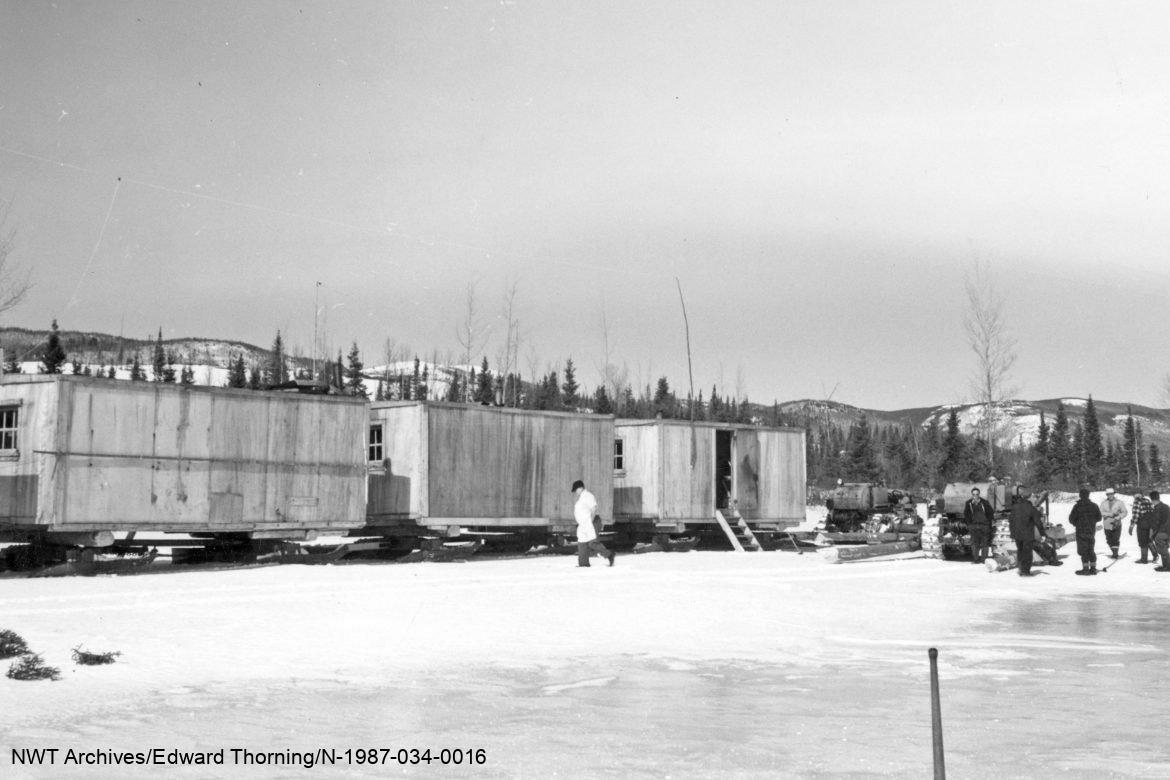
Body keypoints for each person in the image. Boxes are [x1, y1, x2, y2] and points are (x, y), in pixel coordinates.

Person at [572, 479, 614, 568]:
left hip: (592, 522)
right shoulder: (581, 498)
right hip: (583, 524)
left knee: (592, 543)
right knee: (582, 543)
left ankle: (609, 554)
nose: (575, 492)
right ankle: (583, 564)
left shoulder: (588, 495)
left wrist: (590, 521)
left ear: (580, 488)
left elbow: (593, 508)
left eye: (576, 490)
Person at [1009, 493, 1050, 577]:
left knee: (1020, 551)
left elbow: (1011, 521)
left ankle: (1020, 568)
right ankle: (1025, 571)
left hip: (1017, 534)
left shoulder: (1015, 507)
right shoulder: (1031, 508)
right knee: (1027, 553)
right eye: (1033, 497)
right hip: (1027, 534)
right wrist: (1043, 534)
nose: (1035, 500)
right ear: (1029, 498)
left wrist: (1012, 533)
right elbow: (1038, 523)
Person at [1068, 488, 1102, 575]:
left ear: (1080, 495)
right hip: (1091, 531)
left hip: (1080, 531)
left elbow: (1071, 519)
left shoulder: (1077, 506)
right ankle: (1093, 568)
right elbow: (1099, 518)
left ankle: (1085, 569)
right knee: (1091, 549)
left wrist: (1077, 524)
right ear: (1088, 495)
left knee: (1083, 550)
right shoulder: (1094, 506)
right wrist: (1092, 522)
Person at [964, 487, 995, 564]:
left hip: (984, 526)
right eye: (974, 494)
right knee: (975, 544)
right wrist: (969, 525)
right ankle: (975, 559)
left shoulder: (984, 502)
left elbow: (990, 513)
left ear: (979, 494)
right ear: (972, 495)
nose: (975, 496)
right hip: (974, 526)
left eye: (977, 494)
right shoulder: (969, 503)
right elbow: (966, 514)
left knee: (985, 544)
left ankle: (984, 559)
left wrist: (988, 523)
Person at [1099, 488, 1128, 559]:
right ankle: (1114, 552)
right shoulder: (1103, 503)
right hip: (1107, 524)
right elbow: (1100, 512)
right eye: (1109, 494)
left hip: (1116, 523)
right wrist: (1109, 514)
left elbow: (1125, 512)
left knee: (1115, 539)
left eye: (1111, 494)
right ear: (1107, 495)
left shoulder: (1119, 502)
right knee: (1109, 540)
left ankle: (1115, 554)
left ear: (1114, 494)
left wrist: (1119, 517)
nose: (1110, 495)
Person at [1130, 491, 1158, 564]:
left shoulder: (1137, 502)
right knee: (1149, 540)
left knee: (1142, 541)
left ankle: (1144, 559)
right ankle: (1155, 555)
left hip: (1142, 524)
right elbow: (1152, 511)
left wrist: (1131, 525)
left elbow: (1135, 515)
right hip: (1150, 523)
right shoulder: (1147, 500)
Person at [1149, 491, 1170, 572]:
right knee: (1164, 547)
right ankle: (1166, 565)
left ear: (1153, 499)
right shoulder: (1166, 506)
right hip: (1167, 531)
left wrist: (1152, 533)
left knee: (1162, 548)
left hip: (1161, 531)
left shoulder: (1157, 508)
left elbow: (1156, 522)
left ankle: (1167, 567)